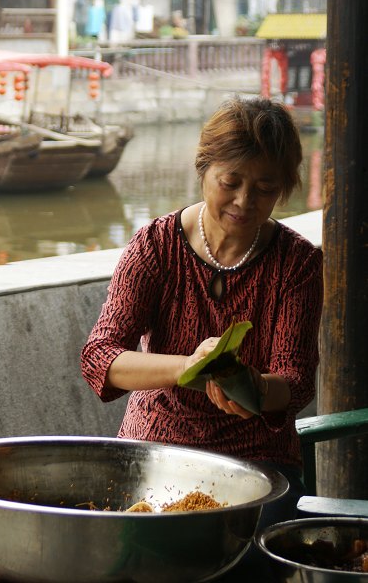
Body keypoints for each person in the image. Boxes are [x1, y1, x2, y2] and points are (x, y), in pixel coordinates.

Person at [81, 97, 323, 575]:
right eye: (229, 182)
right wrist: (190, 366)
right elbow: (100, 357)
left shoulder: (296, 263)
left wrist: (250, 385)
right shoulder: (155, 247)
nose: (243, 201)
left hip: (259, 462)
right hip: (157, 448)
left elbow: (296, 382)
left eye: (264, 188)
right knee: (139, 557)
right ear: (203, 168)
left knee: (249, 561)